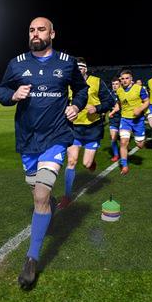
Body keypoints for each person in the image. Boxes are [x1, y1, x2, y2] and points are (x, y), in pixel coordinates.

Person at [0, 17, 88, 289]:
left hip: (56, 137)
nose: (35, 34)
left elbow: (81, 89)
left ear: (52, 33)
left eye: (41, 29)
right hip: (28, 140)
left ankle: (31, 260)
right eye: (31, 30)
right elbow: (2, 91)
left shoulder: (66, 62)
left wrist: (76, 105)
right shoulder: (17, 63)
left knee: (40, 194)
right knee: (38, 193)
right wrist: (12, 96)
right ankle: (47, 205)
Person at [58, 59, 113, 209]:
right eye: (76, 68)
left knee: (87, 164)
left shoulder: (96, 82)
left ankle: (92, 162)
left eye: (81, 67)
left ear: (86, 69)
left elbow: (110, 101)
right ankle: (67, 196)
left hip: (92, 128)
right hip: (73, 129)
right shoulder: (68, 83)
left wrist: (97, 108)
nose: (79, 70)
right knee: (71, 161)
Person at [116, 69, 149, 175]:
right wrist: (114, 110)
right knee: (123, 142)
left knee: (140, 145)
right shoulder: (119, 90)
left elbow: (147, 101)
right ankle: (124, 165)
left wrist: (140, 109)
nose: (124, 80)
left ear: (131, 79)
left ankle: (139, 140)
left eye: (127, 78)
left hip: (138, 121)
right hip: (125, 119)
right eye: (122, 79)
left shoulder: (139, 89)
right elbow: (120, 103)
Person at [108, 77, 122, 162]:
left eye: (116, 84)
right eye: (113, 84)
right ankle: (116, 155)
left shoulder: (123, 93)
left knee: (122, 137)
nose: (114, 86)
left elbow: (118, 107)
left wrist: (112, 112)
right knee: (113, 138)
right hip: (113, 119)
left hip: (123, 118)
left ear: (120, 84)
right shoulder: (110, 94)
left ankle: (124, 149)